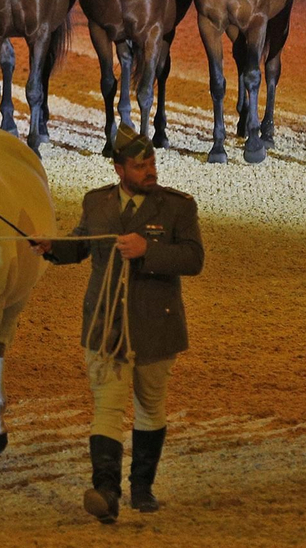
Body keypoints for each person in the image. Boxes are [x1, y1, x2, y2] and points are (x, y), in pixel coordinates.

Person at [32, 128, 204, 524]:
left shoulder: (177, 207)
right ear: (119, 168)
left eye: (152, 164)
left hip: (155, 326)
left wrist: (150, 250)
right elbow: (81, 244)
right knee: (107, 408)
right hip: (106, 324)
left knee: (150, 406)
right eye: (140, 166)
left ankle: (142, 488)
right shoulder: (98, 203)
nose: (150, 172)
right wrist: (52, 247)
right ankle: (107, 492)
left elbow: (194, 259)